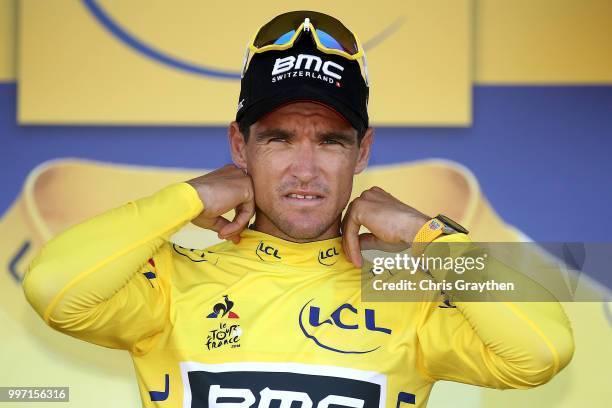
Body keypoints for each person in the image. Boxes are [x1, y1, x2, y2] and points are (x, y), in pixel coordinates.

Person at [23, 10, 574, 407]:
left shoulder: (405, 291)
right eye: (279, 139)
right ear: (240, 147)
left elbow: (543, 350)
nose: (305, 169)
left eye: (331, 141)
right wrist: (185, 199)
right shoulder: (171, 283)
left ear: (363, 151)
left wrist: (424, 234)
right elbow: (53, 287)